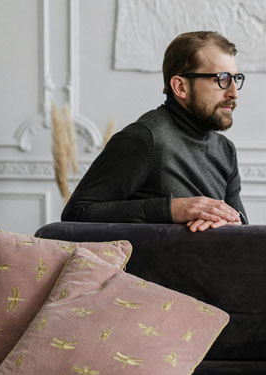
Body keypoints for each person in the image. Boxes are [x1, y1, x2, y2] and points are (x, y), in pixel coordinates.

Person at [62, 31, 247, 232]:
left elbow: (241, 224)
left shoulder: (225, 149)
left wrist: (232, 222)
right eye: (222, 79)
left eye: (235, 78)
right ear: (180, 87)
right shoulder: (143, 139)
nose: (234, 93)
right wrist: (172, 209)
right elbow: (76, 213)